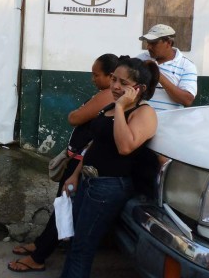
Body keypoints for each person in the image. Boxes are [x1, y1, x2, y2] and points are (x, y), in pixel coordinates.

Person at [8, 54, 119, 273]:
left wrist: (76, 113)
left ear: (111, 76)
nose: (93, 79)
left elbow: (74, 118)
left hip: (81, 164)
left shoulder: (107, 96)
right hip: (80, 160)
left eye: (97, 75)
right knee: (61, 205)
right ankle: (40, 245)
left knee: (63, 209)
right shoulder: (107, 96)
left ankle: (39, 256)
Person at [60, 57, 159, 278]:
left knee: (82, 248)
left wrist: (122, 106)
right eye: (114, 79)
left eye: (123, 83)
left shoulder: (143, 113)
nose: (115, 86)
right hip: (88, 182)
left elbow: (125, 146)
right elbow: (95, 143)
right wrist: (75, 175)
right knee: (76, 242)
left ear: (138, 88)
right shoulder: (110, 107)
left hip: (108, 187)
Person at [137, 24, 197, 111]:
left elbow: (187, 100)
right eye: (148, 43)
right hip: (140, 120)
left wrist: (157, 74)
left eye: (153, 43)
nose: (148, 47)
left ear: (168, 43)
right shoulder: (141, 59)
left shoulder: (186, 66)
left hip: (170, 122)